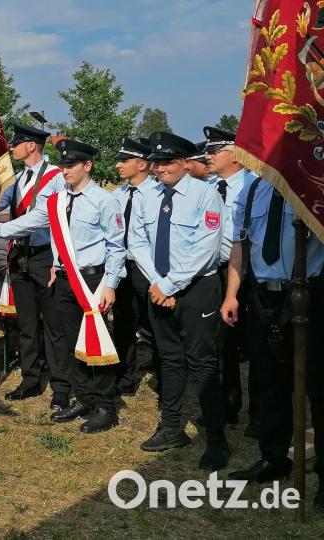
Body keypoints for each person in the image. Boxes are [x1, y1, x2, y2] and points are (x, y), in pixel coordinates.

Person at [0, 139, 126, 433]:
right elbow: (28, 222)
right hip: (64, 278)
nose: (65, 170)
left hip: (92, 279)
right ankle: (84, 397)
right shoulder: (56, 199)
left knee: (95, 340)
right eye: (63, 165)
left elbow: (116, 246)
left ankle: (105, 405)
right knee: (68, 341)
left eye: (71, 165)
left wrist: (111, 284)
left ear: (87, 165)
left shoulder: (105, 200)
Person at [221, 178, 324, 512]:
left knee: (319, 390)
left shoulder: (314, 182)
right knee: (267, 384)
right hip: (263, 295)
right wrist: (232, 294)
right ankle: (273, 458)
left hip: (311, 294)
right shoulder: (252, 190)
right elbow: (241, 243)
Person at [128, 132, 229, 470]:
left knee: (201, 362)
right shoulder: (147, 195)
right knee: (169, 360)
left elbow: (207, 246)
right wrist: (159, 284)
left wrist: (171, 284)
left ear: (186, 162)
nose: (160, 168)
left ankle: (215, 439)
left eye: (168, 161)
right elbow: (137, 240)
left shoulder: (205, 194)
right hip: (159, 288)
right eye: (156, 162)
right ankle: (171, 428)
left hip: (197, 288)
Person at [0, 124, 66, 404]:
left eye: (17, 143)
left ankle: (61, 386)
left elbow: (47, 217)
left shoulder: (56, 176)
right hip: (20, 255)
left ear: (32, 145)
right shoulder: (18, 179)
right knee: (27, 324)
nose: (12, 147)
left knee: (54, 326)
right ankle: (31, 379)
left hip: (45, 256)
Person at [204, 125, 259, 429]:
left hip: (247, 270)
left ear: (235, 154)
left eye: (215, 150)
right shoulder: (209, 187)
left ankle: (260, 414)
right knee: (221, 343)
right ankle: (228, 404)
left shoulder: (254, 185)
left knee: (253, 341)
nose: (208, 156)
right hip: (217, 270)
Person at [111, 137, 158, 395]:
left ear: (142, 164)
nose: (118, 165)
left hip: (148, 269)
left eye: (124, 160)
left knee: (155, 324)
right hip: (122, 266)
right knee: (123, 323)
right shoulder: (117, 195)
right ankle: (125, 377)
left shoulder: (158, 193)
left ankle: (163, 376)